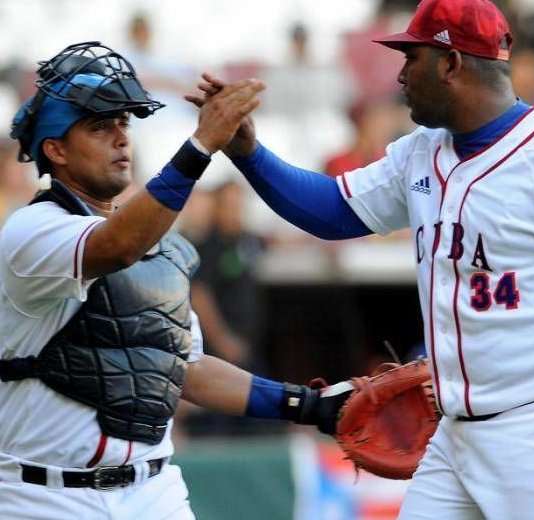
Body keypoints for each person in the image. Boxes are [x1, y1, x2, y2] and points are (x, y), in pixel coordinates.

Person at [188, 0, 534, 517]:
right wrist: (248, 154)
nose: (399, 75)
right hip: (455, 432)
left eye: (411, 58)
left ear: (451, 64)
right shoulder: (422, 151)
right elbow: (332, 211)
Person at [0, 41, 351, 520]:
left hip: (154, 491)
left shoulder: (159, 245)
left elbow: (187, 369)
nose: (122, 137)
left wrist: (308, 405)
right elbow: (115, 247)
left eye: (124, 123)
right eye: (100, 126)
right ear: (55, 148)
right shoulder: (30, 230)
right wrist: (200, 146)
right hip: (43, 497)